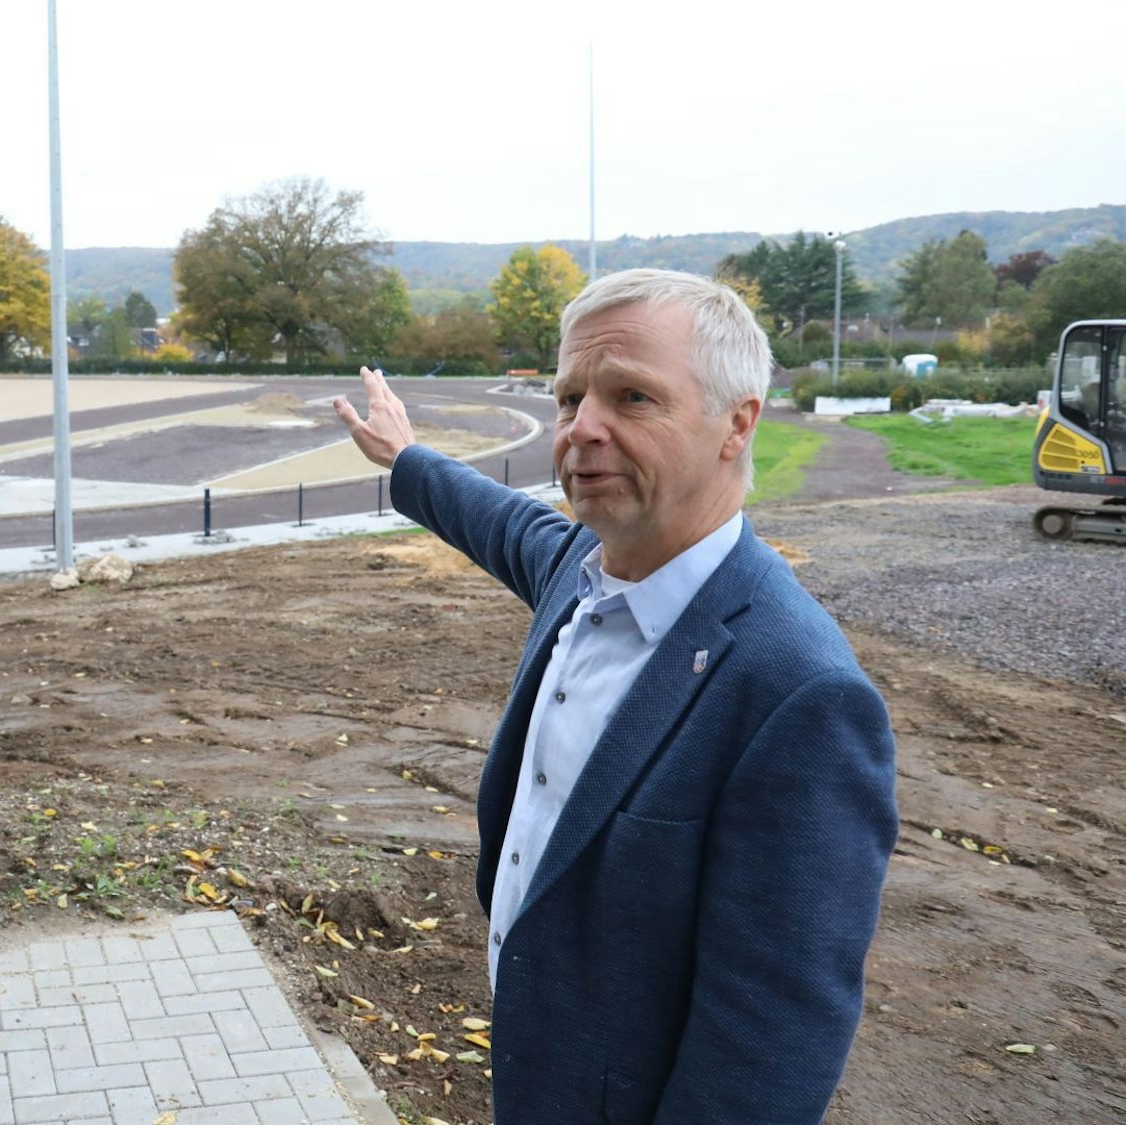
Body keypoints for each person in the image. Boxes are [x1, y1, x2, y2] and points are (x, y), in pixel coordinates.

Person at [332, 268, 896, 1124]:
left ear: (736, 424)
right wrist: (408, 459)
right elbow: (500, 520)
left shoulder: (799, 693)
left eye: (632, 397)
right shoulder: (580, 568)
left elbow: (771, 1039)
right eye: (569, 399)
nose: (581, 429)